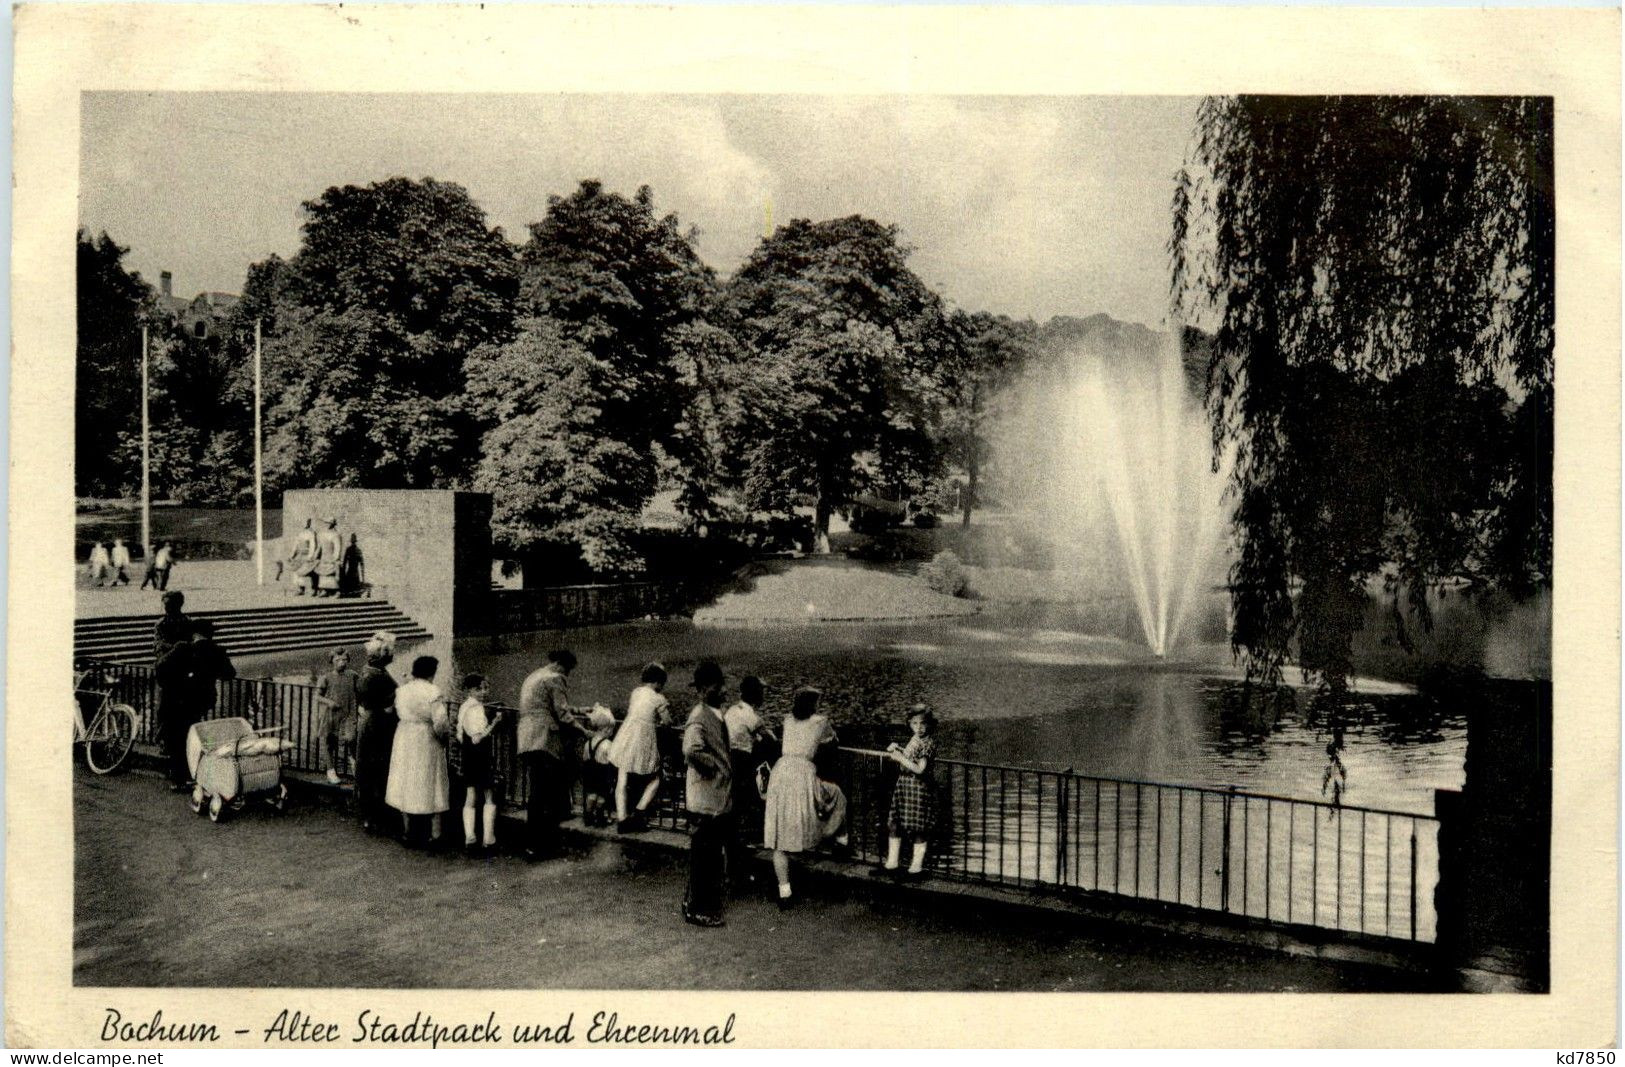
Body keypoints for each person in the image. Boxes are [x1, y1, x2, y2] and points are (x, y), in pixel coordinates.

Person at [762, 686, 849, 909]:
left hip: (780, 773)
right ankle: (841, 838)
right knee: (835, 795)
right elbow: (831, 741)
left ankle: (785, 891)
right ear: (814, 704)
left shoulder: (787, 720)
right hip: (802, 773)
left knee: (779, 835)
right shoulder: (821, 721)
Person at [515, 650, 594, 860]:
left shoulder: (535, 675)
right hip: (545, 739)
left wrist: (581, 709)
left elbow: (547, 705)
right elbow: (562, 713)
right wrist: (585, 731)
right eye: (567, 669)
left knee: (537, 794)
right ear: (561, 665)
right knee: (546, 794)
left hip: (527, 737)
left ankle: (533, 845)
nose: (567, 674)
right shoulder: (555, 678)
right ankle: (541, 846)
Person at [681, 661, 732, 928]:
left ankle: (693, 903)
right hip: (705, 797)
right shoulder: (699, 716)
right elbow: (691, 750)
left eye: (720, 684)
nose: (721, 689)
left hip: (714, 797)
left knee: (706, 853)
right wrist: (714, 767)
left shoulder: (714, 713)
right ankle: (699, 910)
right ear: (702, 689)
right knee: (705, 854)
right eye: (715, 685)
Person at [386, 655, 451, 847]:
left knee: (406, 778)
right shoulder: (433, 691)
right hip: (425, 737)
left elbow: (394, 710)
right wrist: (444, 739)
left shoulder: (402, 690)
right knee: (432, 781)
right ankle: (435, 834)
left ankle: (408, 832)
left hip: (405, 735)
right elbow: (440, 722)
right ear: (431, 672)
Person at [877, 704, 939, 879]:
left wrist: (899, 758)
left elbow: (920, 769)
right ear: (910, 724)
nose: (919, 727)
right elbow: (911, 758)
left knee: (918, 828)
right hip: (904, 785)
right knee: (894, 822)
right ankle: (892, 864)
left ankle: (916, 868)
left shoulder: (929, 742)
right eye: (915, 723)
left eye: (923, 724)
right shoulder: (915, 738)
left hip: (918, 787)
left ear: (930, 724)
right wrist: (899, 750)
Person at [607, 662, 671, 832]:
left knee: (623, 776)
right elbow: (667, 722)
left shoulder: (636, 692)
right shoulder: (659, 698)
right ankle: (639, 812)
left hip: (626, 734)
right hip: (643, 738)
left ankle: (622, 819)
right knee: (656, 778)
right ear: (658, 682)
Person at [724, 675, 774, 883]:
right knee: (743, 807)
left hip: (728, 760)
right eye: (762, 692)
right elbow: (770, 740)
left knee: (733, 809)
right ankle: (736, 863)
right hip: (741, 763)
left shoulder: (732, 711)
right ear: (756, 695)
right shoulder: (753, 717)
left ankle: (733, 853)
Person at [354, 632, 400, 834]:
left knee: (367, 767)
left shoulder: (366, 671)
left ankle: (368, 815)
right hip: (380, 725)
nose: (393, 654)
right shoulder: (379, 676)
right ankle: (377, 815)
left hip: (368, 724)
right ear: (384, 653)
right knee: (380, 767)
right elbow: (389, 705)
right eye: (391, 650)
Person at [456, 673, 503, 851]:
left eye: (485, 688)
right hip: (480, 755)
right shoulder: (476, 709)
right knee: (488, 795)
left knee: (470, 795)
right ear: (470, 690)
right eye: (479, 688)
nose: (483, 692)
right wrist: (494, 723)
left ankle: (470, 838)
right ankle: (488, 839)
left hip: (467, 755)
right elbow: (477, 738)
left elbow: (461, 735)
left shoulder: (464, 707)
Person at [154, 628, 197, 791]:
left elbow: (160, 670)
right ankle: (182, 777)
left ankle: (177, 777)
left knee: (176, 740)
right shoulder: (187, 650)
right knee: (183, 739)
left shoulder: (174, 654)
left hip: (174, 702)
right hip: (184, 702)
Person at [315, 648, 360, 784]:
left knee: (352, 740)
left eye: (344, 660)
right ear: (332, 662)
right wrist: (329, 702)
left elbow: (360, 691)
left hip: (349, 713)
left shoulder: (353, 675)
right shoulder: (326, 677)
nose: (342, 663)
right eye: (338, 660)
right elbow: (317, 696)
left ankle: (356, 768)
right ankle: (331, 771)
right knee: (330, 742)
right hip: (332, 714)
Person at [152, 590, 192, 663]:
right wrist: (175, 648)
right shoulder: (161, 623)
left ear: (179, 605)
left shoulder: (187, 621)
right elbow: (158, 644)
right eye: (165, 605)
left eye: (170, 605)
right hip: (167, 658)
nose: (166, 608)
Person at [286, 519, 318, 593]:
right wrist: (292, 555)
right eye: (304, 522)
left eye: (307, 522)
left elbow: (313, 545)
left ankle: (315, 588)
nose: (305, 524)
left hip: (307, 556)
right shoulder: (300, 533)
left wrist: (310, 556)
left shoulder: (311, 533)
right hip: (300, 556)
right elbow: (295, 545)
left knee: (311, 572)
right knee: (297, 571)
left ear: (309, 523)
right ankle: (300, 588)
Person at [314, 517, 342, 597]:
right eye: (325, 523)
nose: (326, 525)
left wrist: (335, 558)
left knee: (332, 575)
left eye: (328, 523)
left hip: (331, 558)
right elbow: (319, 547)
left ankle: (336, 591)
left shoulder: (336, 535)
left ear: (332, 524)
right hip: (324, 557)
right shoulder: (321, 534)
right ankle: (324, 590)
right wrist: (315, 555)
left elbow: (338, 548)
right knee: (323, 575)